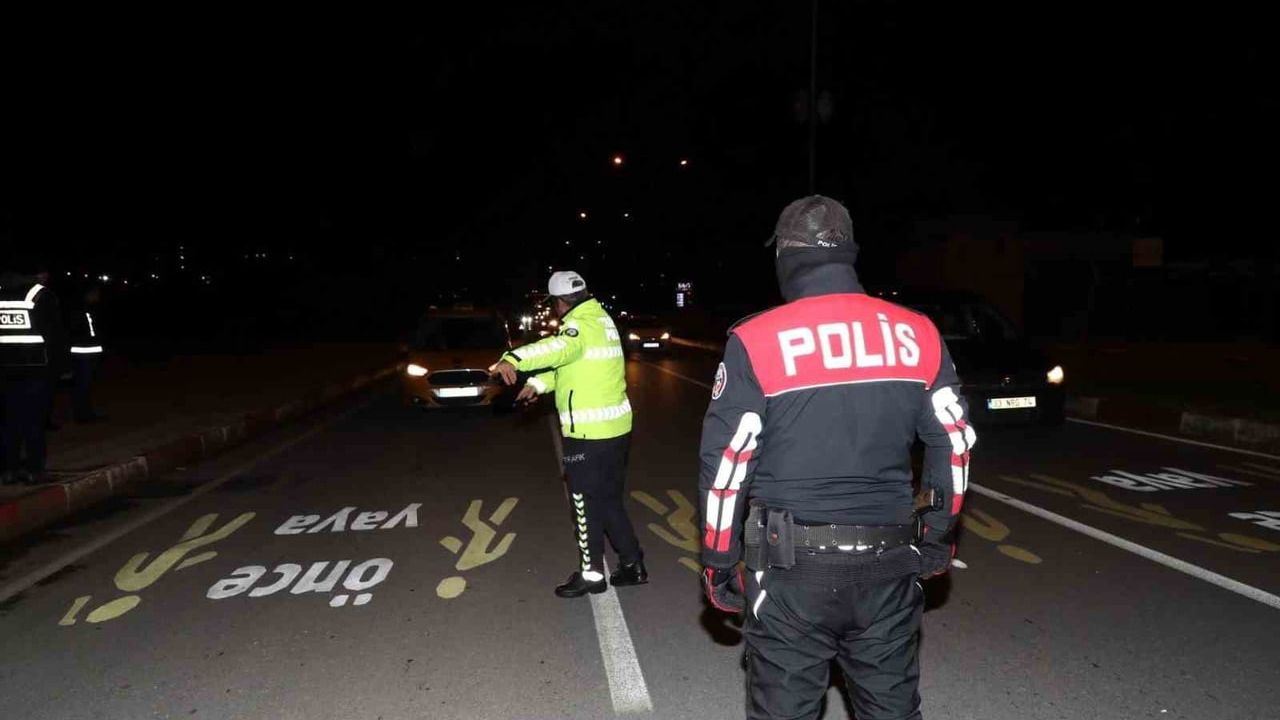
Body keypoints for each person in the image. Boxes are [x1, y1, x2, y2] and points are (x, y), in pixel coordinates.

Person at [698, 196, 976, 720]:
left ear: (784, 254)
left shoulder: (756, 338)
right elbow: (955, 444)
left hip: (790, 572)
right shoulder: (917, 332)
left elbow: (727, 465)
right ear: (848, 252)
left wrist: (717, 559)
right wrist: (938, 534)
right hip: (889, 562)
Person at [491, 270, 646, 597]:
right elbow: (574, 368)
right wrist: (537, 384)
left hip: (588, 434)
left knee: (584, 505)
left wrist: (514, 358)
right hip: (615, 430)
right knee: (608, 501)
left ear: (560, 302)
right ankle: (633, 565)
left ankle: (592, 577)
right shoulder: (600, 320)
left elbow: (559, 349)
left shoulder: (578, 327)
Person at [1, 257, 70, 486]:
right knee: (34, 421)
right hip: (37, 369)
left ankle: (8, 470)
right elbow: (56, 336)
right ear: (37, 275)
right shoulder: (41, 295)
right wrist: (61, 367)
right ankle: (33, 470)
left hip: (4, 370)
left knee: (8, 422)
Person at [67, 283, 107, 422]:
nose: (98, 296)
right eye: (95, 293)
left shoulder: (85, 309)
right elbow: (88, 333)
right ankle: (83, 414)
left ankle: (84, 412)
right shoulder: (83, 310)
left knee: (84, 385)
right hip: (84, 354)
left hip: (85, 353)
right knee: (83, 385)